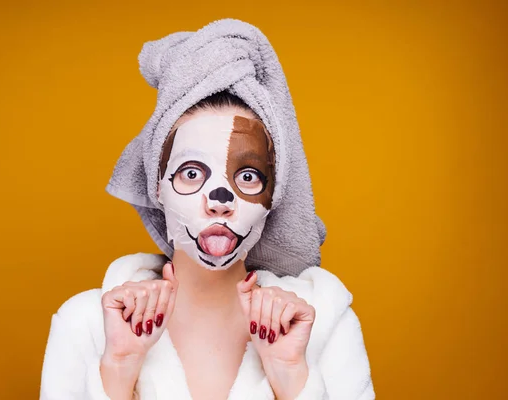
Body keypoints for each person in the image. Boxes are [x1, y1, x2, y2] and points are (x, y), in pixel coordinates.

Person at [40, 19, 374, 400]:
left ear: (273, 195)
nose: (220, 202)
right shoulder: (83, 325)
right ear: (157, 187)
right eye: (192, 172)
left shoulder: (325, 322)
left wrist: (291, 376)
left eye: (247, 176)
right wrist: (118, 367)